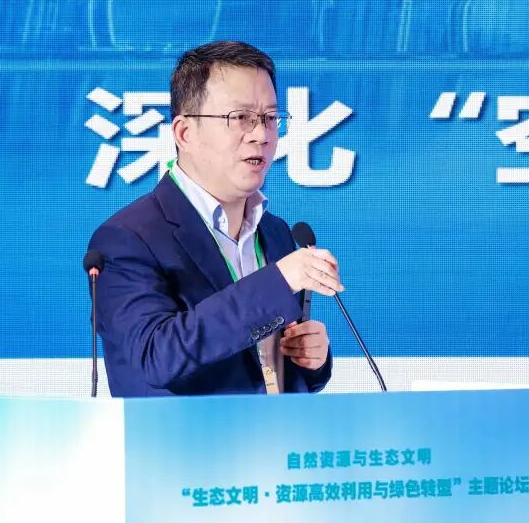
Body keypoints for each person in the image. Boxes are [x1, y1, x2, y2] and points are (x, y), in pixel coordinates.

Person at [88, 40, 343, 396]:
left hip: (280, 431)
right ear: (185, 133)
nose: (261, 135)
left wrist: (311, 360)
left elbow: (264, 366)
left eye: (270, 118)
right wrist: (277, 282)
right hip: (179, 433)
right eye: (240, 118)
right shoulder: (127, 239)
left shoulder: (276, 232)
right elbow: (155, 357)